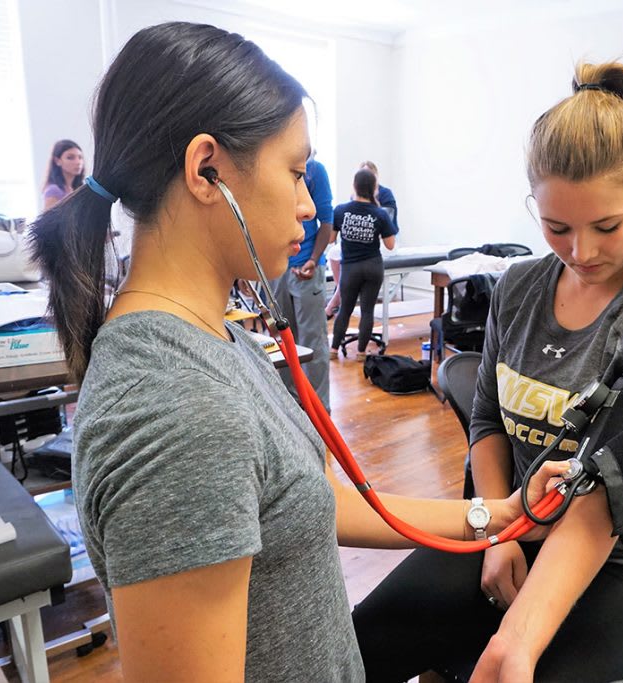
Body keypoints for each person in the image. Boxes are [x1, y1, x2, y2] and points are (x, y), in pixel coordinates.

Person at [29, 22, 565, 682]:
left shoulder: (211, 338)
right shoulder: (179, 413)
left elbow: (303, 499)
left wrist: (497, 514)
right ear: (207, 170)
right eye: (295, 171)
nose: (312, 205)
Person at [352, 62, 623, 682]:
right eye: (557, 228)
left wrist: (517, 637)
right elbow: (486, 417)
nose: (581, 253)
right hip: (520, 523)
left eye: (607, 227)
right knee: (360, 647)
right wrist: (499, 527)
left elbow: (615, 490)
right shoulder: (520, 288)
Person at [268, 156, 333, 409]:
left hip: (305, 267)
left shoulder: (315, 171)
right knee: (284, 342)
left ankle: (318, 410)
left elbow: (326, 221)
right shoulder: (271, 168)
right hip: (276, 267)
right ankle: (290, 405)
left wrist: (314, 260)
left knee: (312, 341)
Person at [330, 168, 397, 357]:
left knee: (345, 309)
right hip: (373, 267)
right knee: (367, 311)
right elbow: (390, 245)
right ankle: (361, 352)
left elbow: (330, 239)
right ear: (375, 189)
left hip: (350, 268)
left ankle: (334, 349)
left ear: (354, 186)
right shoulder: (380, 213)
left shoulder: (341, 210)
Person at [41, 139, 84, 209]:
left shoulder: (79, 189)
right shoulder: (53, 191)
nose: (78, 162)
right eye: (70, 158)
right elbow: (50, 219)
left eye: (80, 157)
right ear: (57, 161)